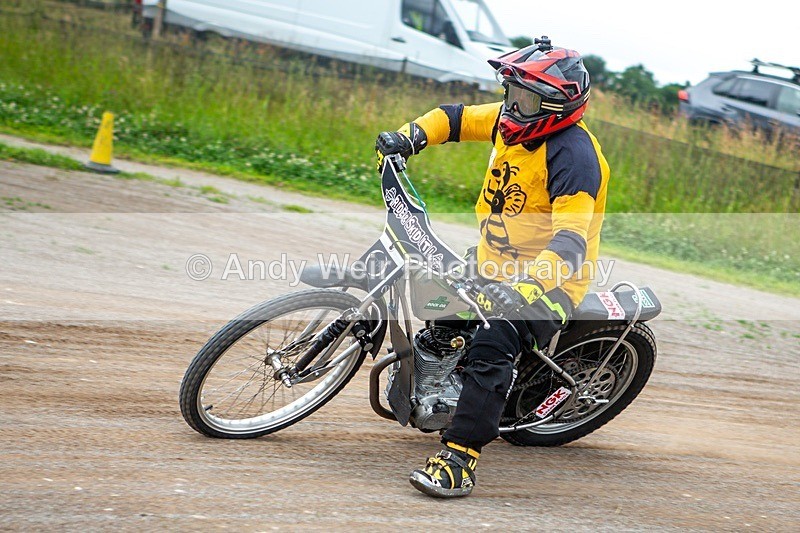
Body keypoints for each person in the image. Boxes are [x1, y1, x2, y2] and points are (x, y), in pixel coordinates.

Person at [375, 37, 610, 498]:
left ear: (553, 106)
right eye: (510, 92)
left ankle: (461, 458)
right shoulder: (514, 123)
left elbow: (570, 241)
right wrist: (408, 137)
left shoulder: (574, 157)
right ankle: (442, 379)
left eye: (522, 98)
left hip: (549, 283)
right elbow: (454, 117)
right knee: (436, 304)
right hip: (492, 262)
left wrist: (523, 290)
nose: (509, 105)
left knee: (493, 344)